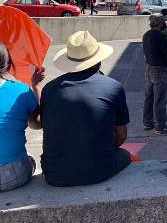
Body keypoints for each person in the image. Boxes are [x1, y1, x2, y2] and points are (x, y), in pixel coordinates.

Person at [41, 31, 131, 186]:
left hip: (54, 174)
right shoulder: (113, 87)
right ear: (99, 61)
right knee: (125, 155)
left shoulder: (49, 89)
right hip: (99, 170)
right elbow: (121, 136)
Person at [0, 43, 44, 192]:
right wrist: (36, 86)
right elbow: (37, 124)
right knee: (30, 158)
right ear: (7, 64)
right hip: (12, 175)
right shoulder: (20, 91)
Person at [142, 14, 167, 135]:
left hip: (149, 67)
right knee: (160, 98)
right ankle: (160, 126)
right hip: (160, 69)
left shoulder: (146, 35)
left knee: (149, 97)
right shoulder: (160, 36)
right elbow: (165, 54)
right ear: (160, 24)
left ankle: (148, 121)